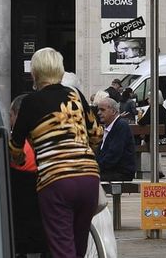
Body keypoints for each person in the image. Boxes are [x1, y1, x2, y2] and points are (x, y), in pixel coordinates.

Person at [9, 47, 103, 258]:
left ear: (34, 73)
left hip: (57, 180)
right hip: (88, 178)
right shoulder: (75, 95)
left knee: (62, 249)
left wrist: (23, 156)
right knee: (78, 248)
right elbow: (96, 134)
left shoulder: (30, 102)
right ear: (60, 71)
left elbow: (15, 147)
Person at [8, 93, 49, 257]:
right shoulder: (48, 144)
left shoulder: (16, 147)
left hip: (20, 230)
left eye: (10, 115)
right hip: (46, 230)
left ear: (18, 116)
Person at [95, 97, 137, 181]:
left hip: (120, 173)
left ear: (113, 111)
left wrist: (96, 169)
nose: (98, 113)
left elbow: (113, 154)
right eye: (98, 110)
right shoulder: (109, 126)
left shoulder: (121, 126)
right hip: (111, 170)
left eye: (102, 110)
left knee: (86, 180)